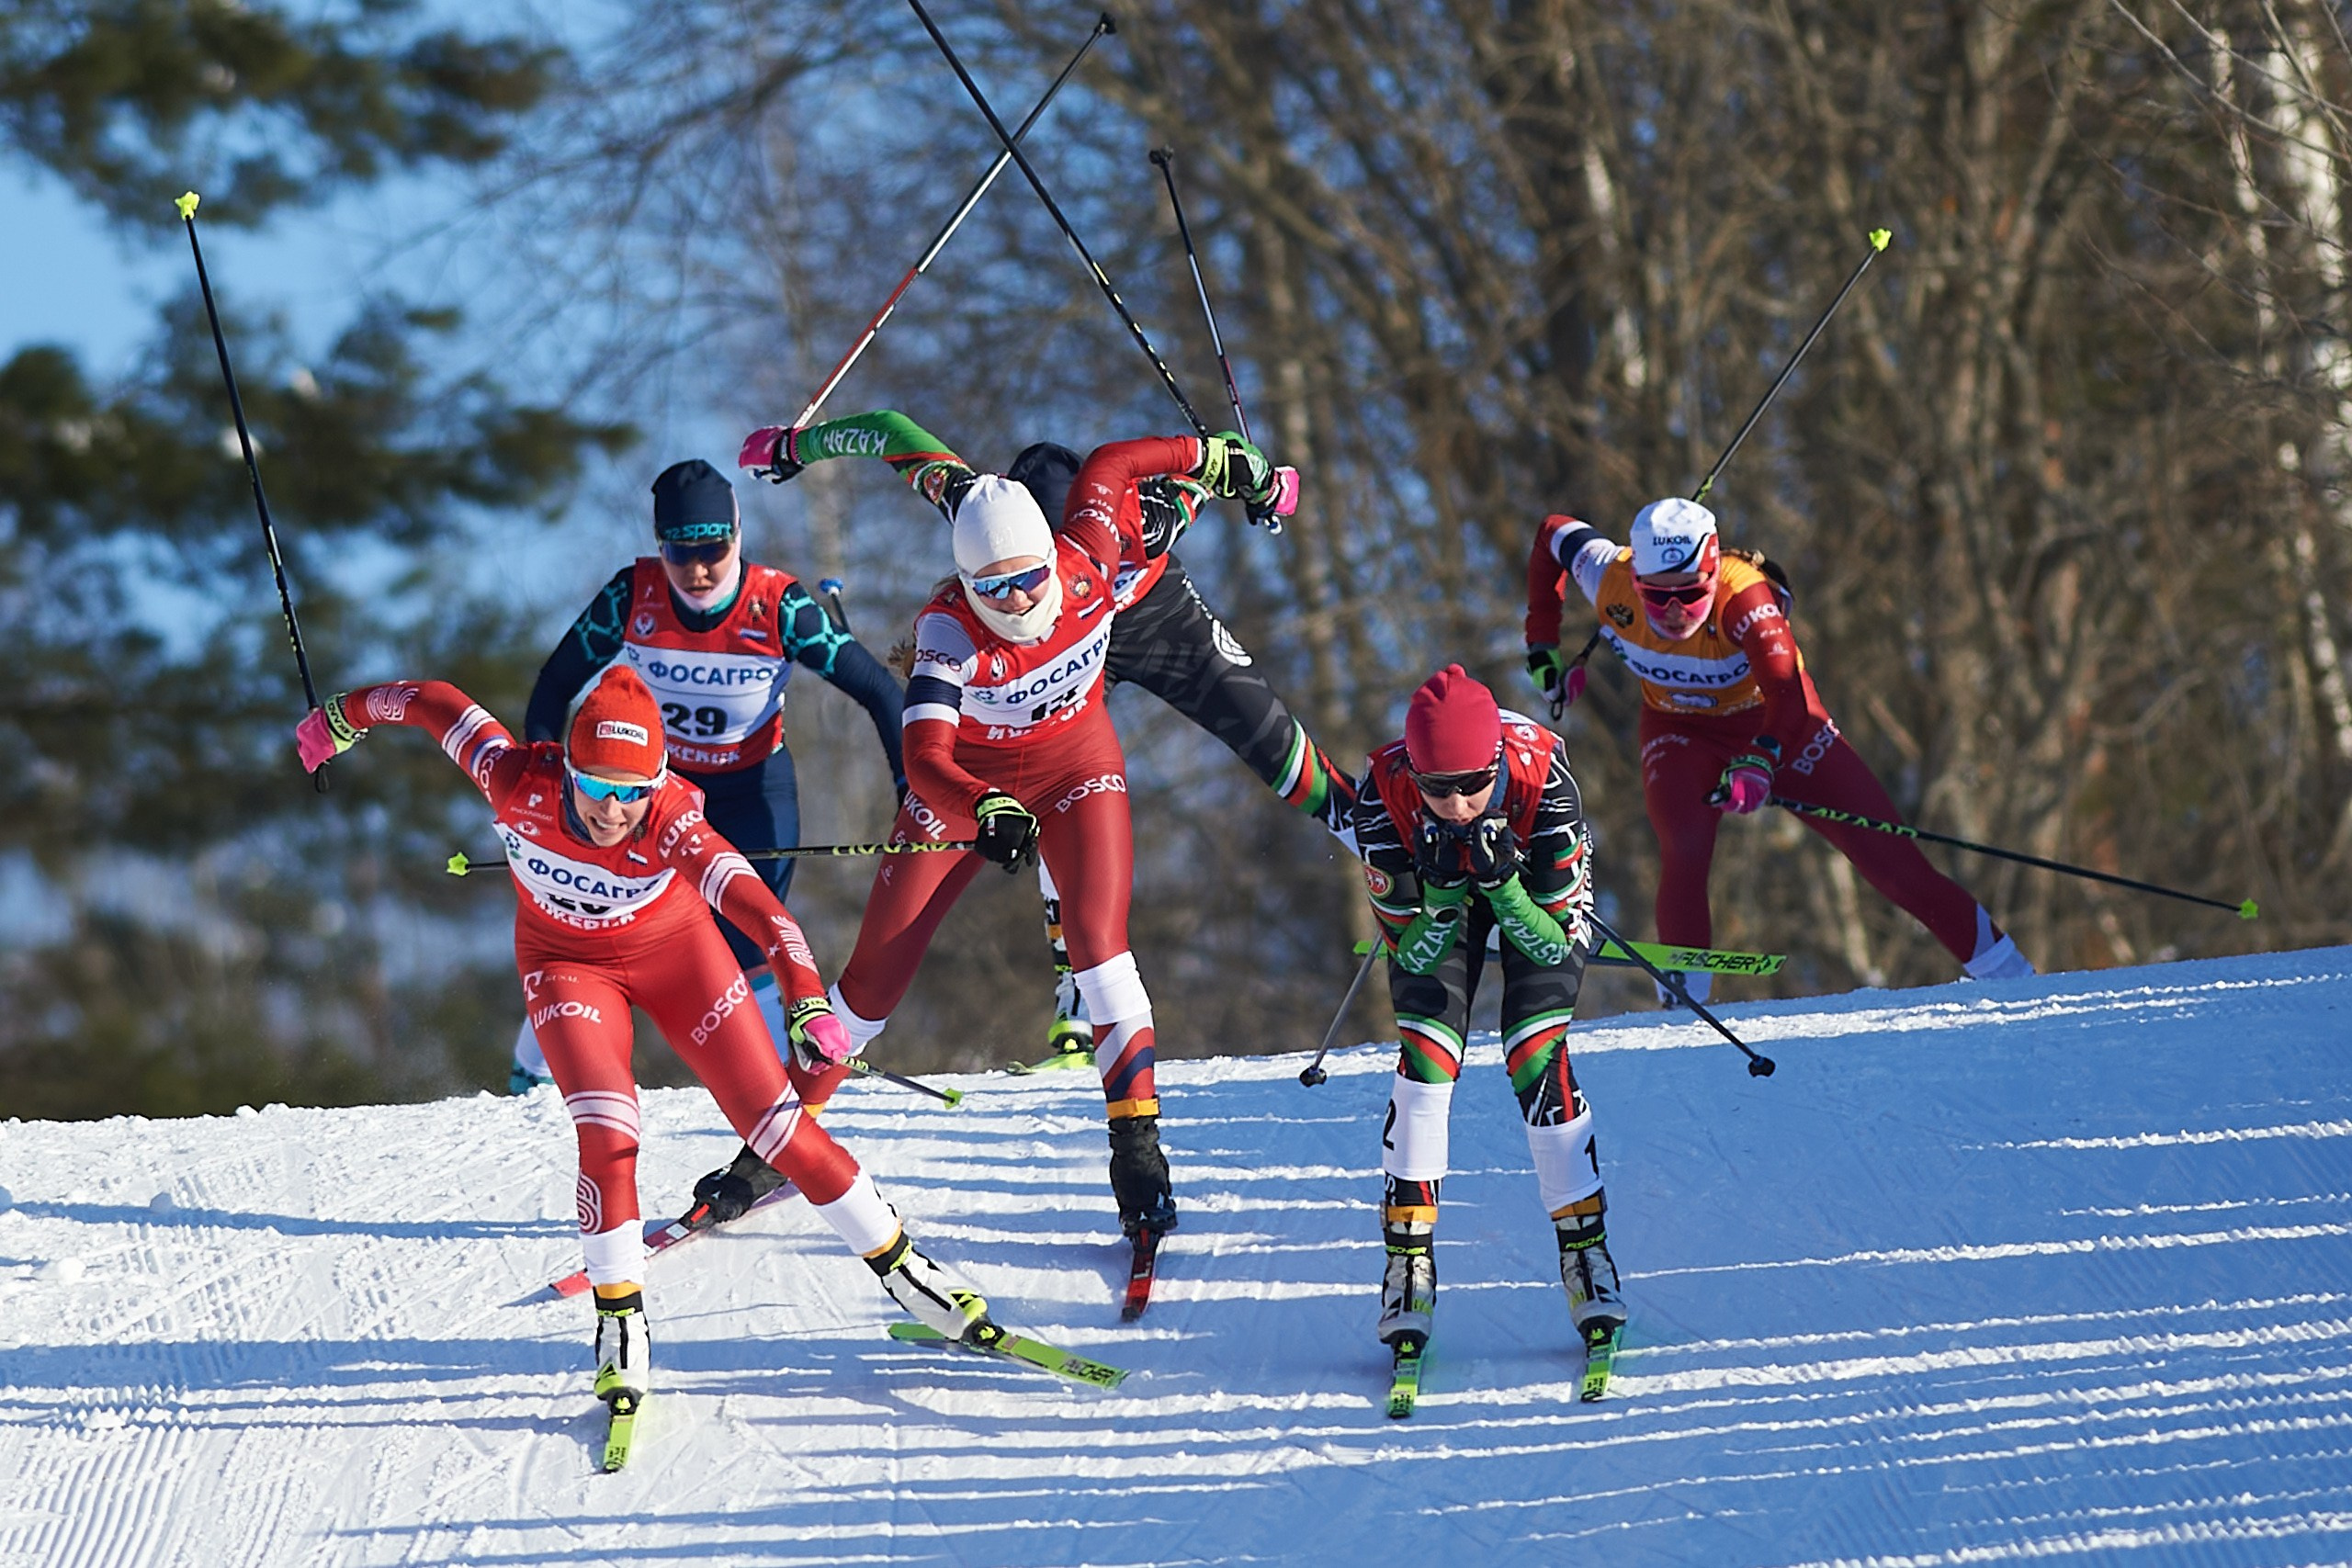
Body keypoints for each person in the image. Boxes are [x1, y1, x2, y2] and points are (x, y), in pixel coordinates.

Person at [292, 664, 992, 1415]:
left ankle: (905, 1271)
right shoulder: (512, 777)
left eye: (633, 790)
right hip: (566, 967)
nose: (614, 810)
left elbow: (767, 918)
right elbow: (433, 702)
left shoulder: (671, 819)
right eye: (596, 788)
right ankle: (621, 1320)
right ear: (567, 768)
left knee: (778, 1127)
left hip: (678, 959)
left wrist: (808, 1004)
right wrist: (343, 716)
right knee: (608, 1130)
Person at [737, 410, 1287, 1241]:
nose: (1019, 598)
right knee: (870, 987)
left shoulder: (1094, 545)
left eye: (1029, 578)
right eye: (992, 588)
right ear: (964, 580)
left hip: (1077, 768)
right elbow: (925, 757)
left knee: (1102, 949)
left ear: (1053, 549)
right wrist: (979, 805)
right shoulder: (950, 631)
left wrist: (1219, 459)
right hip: (966, 788)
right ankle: (773, 1144)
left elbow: (1118, 457)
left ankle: (1137, 1149)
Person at [1524, 498, 2033, 1003]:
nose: (1676, 611)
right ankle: (1682, 1010)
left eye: (1691, 592)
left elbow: (1788, 696)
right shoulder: (1605, 573)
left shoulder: (1745, 598)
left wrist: (1761, 757)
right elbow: (1552, 532)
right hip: (1679, 732)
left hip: (1778, 726)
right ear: (1636, 578)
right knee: (1684, 846)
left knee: (1895, 868)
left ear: (1712, 568)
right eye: (1657, 597)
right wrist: (1542, 647)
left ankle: (2016, 980)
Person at [504, 458, 905, 1100]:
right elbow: (555, 684)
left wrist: (910, 793)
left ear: (738, 535)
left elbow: (878, 689)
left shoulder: (780, 606)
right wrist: (550, 774)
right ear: (659, 547)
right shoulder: (631, 596)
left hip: (752, 788)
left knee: (749, 933)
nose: (697, 569)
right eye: (680, 552)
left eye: (714, 549)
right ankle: (530, 1076)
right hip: (650, 795)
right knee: (596, 919)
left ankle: (786, 1094)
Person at [1001, 441, 1357, 1068]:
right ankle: (1079, 993)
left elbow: (1221, 462)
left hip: (1158, 616)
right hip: (1075, 643)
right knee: (1063, 798)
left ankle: (1398, 851)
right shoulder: (1001, 538)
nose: (1068, 565)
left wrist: (1265, 483)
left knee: (1272, 740)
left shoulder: (1140, 510)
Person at [1349, 665, 1620, 1356]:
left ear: (1496, 762)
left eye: (1474, 783)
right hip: (1442, 900)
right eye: (1439, 788)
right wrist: (1442, 900)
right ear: (1415, 773)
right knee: (1427, 1057)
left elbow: (1553, 939)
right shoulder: (1381, 795)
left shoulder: (1545, 780)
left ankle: (1585, 1251)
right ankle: (1407, 1260)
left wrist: (1501, 888)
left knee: (1535, 1050)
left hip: (1531, 893)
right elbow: (1409, 955)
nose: (1460, 803)